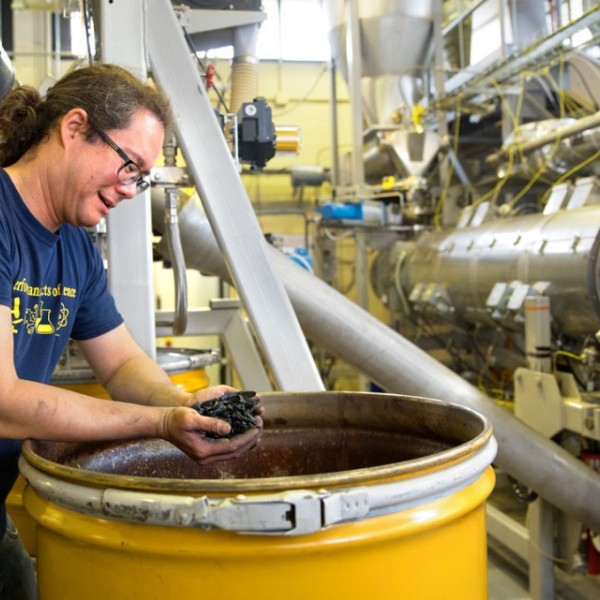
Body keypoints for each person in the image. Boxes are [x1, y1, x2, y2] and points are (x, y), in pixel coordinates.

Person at [0, 63, 263, 599]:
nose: (130, 191)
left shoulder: (72, 246)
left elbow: (119, 364)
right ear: (74, 128)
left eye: (141, 178)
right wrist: (161, 421)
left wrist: (180, 403)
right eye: (129, 166)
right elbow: (3, 401)